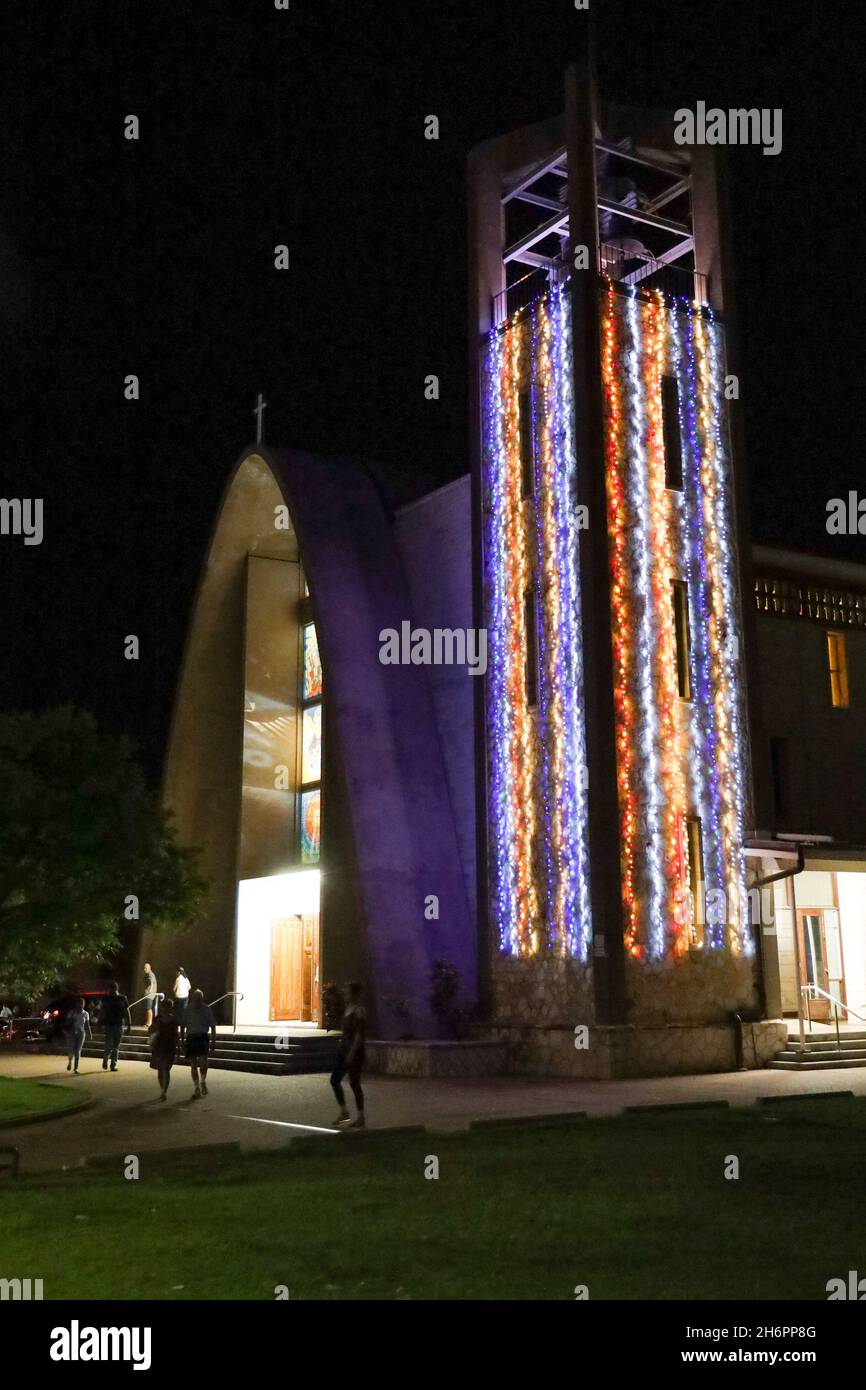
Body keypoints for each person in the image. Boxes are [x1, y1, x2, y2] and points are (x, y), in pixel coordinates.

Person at [330, 981, 366, 1129]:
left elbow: (359, 1034)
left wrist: (352, 1052)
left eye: (347, 990)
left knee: (354, 1083)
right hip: (344, 1050)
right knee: (335, 1079)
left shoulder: (359, 1010)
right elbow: (347, 1031)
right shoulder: (347, 1008)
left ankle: (361, 1116)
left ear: (353, 993)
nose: (345, 992)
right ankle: (344, 1111)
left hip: (354, 1052)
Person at [184, 989, 216, 1099]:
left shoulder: (206, 1009)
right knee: (193, 1064)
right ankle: (196, 1087)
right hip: (192, 1037)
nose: (197, 1000)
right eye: (195, 998)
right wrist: (183, 1039)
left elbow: (212, 1025)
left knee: (203, 1062)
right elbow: (183, 1024)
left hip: (202, 1036)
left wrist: (213, 1041)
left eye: (199, 998)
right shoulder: (188, 1009)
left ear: (202, 998)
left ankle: (202, 1081)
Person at [149, 998, 178, 1101]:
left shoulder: (173, 1020)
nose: (167, 1009)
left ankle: (164, 1091)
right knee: (160, 1069)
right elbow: (151, 1030)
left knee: (166, 1068)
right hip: (159, 1045)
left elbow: (176, 1034)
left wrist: (177, 1046)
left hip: (169, 1046)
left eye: (169, 1007)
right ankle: (162, 1089)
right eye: (166, 1007)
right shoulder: (157, 1019)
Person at [101, 981, 132, 1072]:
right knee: (110, 1044)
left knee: (115, 1045)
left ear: (116, 989)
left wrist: (129, 1024)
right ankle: (107, 1061)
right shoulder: (107, 998)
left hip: (118, 1024)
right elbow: (103, 1011)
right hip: (111, 1024)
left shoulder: (122, 998)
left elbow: (127, 1011)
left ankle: (112, 1063)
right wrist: (100, 1022)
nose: (112, 992)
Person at [65, 997, 92, 1074]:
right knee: (71, 1049)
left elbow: (87, 1025)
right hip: (72, 1032)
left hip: (81, 1033)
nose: (80, 1006)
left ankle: (76, 1068)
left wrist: (90, 1034)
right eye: (79, 1004)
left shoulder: (85, 1013)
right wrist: (71, 1021)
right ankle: (70, 1062)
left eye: (82, 1004)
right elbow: (67, 1022)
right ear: (76, 1004)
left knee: (78, 1050)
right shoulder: (72, 1013)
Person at [173, 967, 191, 1039]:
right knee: (184, 1013)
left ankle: (177, 1029)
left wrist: (176, 991)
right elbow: (189, 987)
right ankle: (183, 1026)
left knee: (177, 1013)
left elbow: (174, 988)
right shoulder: (186, 979)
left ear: (179, 972)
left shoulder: (178, 979)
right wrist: (185, 991)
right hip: (185, 997)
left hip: (178, 997)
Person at [143, 962, 158, 1028]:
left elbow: (152, 983)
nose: (144, 969)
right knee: (147, 1008)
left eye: (146, 968)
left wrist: (150, 991)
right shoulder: (148, 974)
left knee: (149, 1008)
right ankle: (148, 1022)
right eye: (144, 968)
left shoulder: (150, 974)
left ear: (149, 968)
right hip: (147, 995)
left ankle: (149, 1023)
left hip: (149, 995)